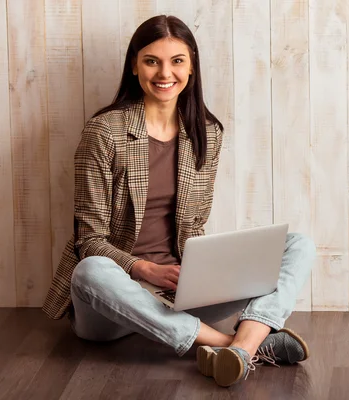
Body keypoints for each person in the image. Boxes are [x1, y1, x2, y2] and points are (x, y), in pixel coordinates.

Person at [42, 14, 316, 388]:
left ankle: (247, 340)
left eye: (177, 61)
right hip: (112, 300)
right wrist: (144, 269)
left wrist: (202, 269)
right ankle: (234, 348)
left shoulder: (207, 133)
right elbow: (87, 241)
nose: (164, 73)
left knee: (297, 245)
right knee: (89, 270)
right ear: (134, 67)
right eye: (152, 60)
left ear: (191, 68)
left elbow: (195, 226)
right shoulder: (104, 132)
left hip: (179, 293)